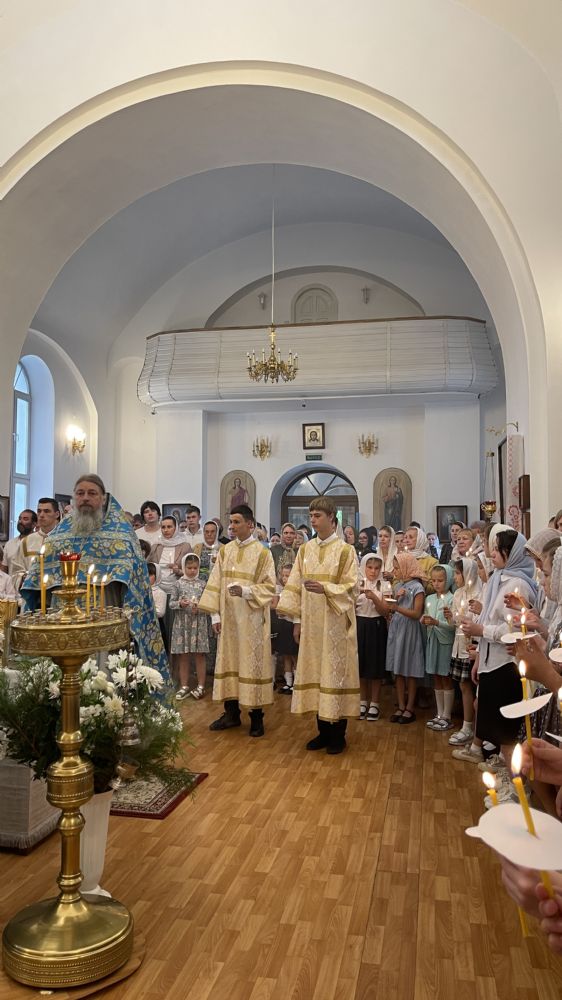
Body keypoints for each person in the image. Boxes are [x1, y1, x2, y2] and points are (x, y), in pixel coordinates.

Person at [21, 475, 170, 679]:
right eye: (80, 493)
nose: (85, 498)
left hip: (104, 606)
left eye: (92, 493)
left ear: (102, 499)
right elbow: (40, 572)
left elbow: (136, 577)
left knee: (102, 673)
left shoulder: (122, 532)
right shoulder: (59, 533)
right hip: (62, 611)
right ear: (73, 499)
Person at [277, 497, 359, 754]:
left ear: (332, 518)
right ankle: (322, 731)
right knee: (315, 673)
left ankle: (338, 735)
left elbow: (353, 587)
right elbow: (296, 587)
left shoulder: (346, 551)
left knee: (334, 674)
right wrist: (298, 621)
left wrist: (326, 588)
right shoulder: (306, 549)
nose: (312, 519)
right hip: (312, 623)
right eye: (311, 515)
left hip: (336, 624)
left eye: (317, 515)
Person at [459, 529, 537, 796]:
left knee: (505, 730)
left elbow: (517, 631)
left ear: (510, 553)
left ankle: (516, 788)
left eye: (496, 549)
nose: (491, 553)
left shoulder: (519, 585)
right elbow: (490, 620)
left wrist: (483, 633)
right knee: (496, 725)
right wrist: (480, 656)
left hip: (508, 664)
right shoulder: (499, 579)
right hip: (492, 661)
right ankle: (506, 770)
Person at [198, 504, 276, 737]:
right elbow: (214, 584)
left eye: (236, 522)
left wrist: (245, 591)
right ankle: (231, 713)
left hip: (252, 620)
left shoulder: (263, 553)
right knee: (229, 663)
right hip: (229, 620)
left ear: (250, 524)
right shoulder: (225, 551)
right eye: (230, 522)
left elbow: (270, 587)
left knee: (252, 665)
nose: (231, 527)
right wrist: (215, 615)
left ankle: (256, 717)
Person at [385, 552, 425, 724]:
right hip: (397, 628)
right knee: (398, 669)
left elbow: (416, 613)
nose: (395, 570)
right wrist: (395, 601)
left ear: (406, 567)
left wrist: (396, 607)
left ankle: (409, 707)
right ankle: (400, 705)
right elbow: (392, 606)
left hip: (410, 629)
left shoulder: (417, 587)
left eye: (397, 567)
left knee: (410, 670)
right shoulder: (398, 585)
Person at [446, 558, 482, 746]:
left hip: (474, 645)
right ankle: (467, 726)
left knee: (478, 689)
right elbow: (456, 622)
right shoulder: (458, 593)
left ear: (468, 574)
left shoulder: (480, 593)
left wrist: (462, 618)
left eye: (458, 573)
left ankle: (479, 730)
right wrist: (451, 617)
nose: (455, 577)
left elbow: (478, 619)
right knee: (463, 685)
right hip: (459, 644)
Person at [356, 554, 390, 721]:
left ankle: (375, 703)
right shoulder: (357, 583)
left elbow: (385, 612)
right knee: (361, 665)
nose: (373, 571)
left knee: (375, 666)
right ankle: (362, 701)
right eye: (370, 567)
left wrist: (375, 597)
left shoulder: (384, 585)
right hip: (360, 624)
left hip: (376, 625)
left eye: (377, 568)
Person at [170, 553, 209, 701]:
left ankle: (200, 686)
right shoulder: (178, 584)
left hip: (198, 623)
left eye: (195, 568)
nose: (192, 570)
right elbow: (171, 603)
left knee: (199, 655)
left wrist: (199, 608)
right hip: (182, 624)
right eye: (189, 568)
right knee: (184, 655)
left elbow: (208, 604)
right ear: (184, 567)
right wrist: (180, 604)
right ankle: (184, 685)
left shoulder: (202, 584)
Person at [422, 565, 455, 730]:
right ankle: (439, 713)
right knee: (436, 676)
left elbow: (453, 626)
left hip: (445, 642)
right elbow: (426, 617)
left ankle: (447, 715)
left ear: (448, 580)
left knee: (445, 677)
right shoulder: (429, 599)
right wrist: (424, 620)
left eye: (440, 580)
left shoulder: (451, 599)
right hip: (432, 640)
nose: (436, 584)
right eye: (433, 580)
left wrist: (436, 622)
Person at [11, 497, 60, 584]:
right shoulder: (26, 541)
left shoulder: (63, 539)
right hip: (32, 592)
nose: (41, 515)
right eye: (39, 511)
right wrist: (24, 577)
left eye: (46, 511)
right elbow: (15, 571)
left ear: (56, 514)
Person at [271, 563, 299, 693]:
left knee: (294, 656)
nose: (284, 578)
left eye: (287, 575)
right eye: (283, 575)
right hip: (282, 624)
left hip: (292, 625)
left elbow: (297, 609)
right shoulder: (280, 590)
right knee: (285, 656)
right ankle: (288, 683)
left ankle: (296, 683)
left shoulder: (296, 591)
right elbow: (275, 606)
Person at [0, 509, 37, 582]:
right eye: (19, 518)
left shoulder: (38, 542)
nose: (20, 521)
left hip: (31, 586)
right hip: (11, 588)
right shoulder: (10, 544)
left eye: (25, 519)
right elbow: (4, 570)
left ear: (34, 524)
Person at [402, 526, 439, 590]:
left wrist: (422, 581)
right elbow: (395, 581)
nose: (407, 540)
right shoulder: (402, 558)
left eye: (411, 537)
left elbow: (434, 587)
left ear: (420, 539)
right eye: (405, 537)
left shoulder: (432, 562)